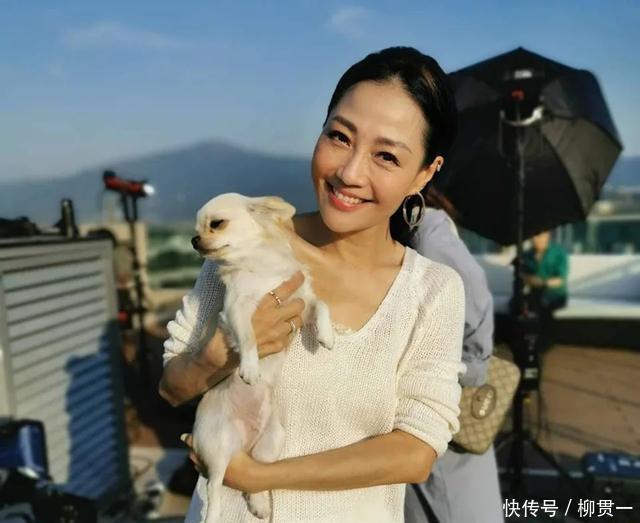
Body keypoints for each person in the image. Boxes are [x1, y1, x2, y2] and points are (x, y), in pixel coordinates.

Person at [159, 46, 467, 522]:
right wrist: (222, 353)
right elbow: (172, 387)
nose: (349, 172)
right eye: (340, 137)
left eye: (386, 156)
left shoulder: (431, 291)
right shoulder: (245, 243)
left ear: (424, 174)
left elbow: (416, 451)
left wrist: (259, 476)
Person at [404, 194, 504, 523]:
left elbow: (476, 327)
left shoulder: (427, 234)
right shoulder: (415, 231)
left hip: (444, 418)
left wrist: (447, 371)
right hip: (422, 426)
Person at [522, 230, 569, 351]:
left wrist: (542, 282)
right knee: (516, 304)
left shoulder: (559, 253)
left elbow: (561, 279)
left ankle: (544, 343)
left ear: (547, 236)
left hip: (555, 294)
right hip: (534, 293)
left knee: (543, 306)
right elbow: (522, 274)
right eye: (533, 236)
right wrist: (528, 279)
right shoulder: (527, 254)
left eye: (538, 236)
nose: (535, 239)